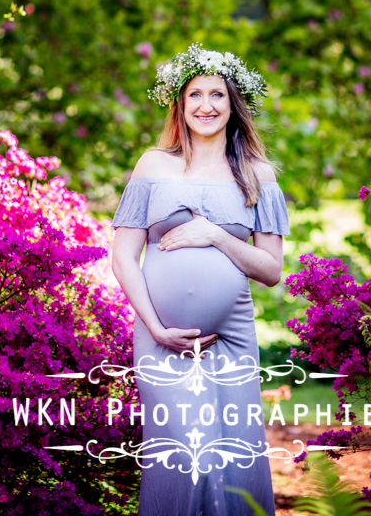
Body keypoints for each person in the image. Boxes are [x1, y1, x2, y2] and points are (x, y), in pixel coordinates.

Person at [110, 43, 289, 516]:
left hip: (231, 337)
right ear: (180, 103)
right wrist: (155, 328)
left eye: (217, 95)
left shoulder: (257, 174)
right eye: (195, 95)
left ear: (234, 106)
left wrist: (216, 235)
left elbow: (271, 270)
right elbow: (124, 257)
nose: (206, 105)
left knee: (234, 458)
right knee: (187, 457)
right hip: (161, 339)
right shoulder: (153, 166)